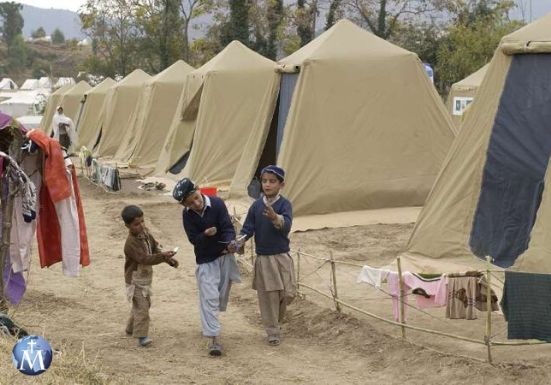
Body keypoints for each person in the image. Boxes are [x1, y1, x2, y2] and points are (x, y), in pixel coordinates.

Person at [173, 178, 241, 356]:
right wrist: (204, 234)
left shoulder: (217, 203)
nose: (196, 203)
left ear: (199, 189)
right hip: (205, 259)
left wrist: (231, 242)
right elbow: (193, 240)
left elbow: (227, 227)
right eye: (190, 203)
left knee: (219, 296)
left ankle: (210, 323)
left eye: (196, 197)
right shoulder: (188, 215)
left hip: (224, 255)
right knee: (209, 297)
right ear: (184, 205)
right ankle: (213, 339)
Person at [238, 165, 296, 346]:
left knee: (288, 293)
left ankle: (276, 320)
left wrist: (274, 217)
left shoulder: (285, 204)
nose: (267, 185)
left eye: (272, 181)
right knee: (268, 296)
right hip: (265, 258)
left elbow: (286, 226)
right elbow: (248, 228)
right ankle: (272, 331)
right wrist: (240, 241)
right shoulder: (256, 206)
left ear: (281, 184)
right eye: (264, 181)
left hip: (282, 256)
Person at [121, 205, 178, 347]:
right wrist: (162, 256)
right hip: (135, 280)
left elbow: (154, 248)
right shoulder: (130, 243)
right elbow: (144, 259)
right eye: (136, 224)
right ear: (127, 225)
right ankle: (142, 336)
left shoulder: (146, 234)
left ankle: (130, 328)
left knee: (143, 305)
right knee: (142, 307)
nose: (141, 226)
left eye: (142, 221)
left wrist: (168, 259)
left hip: (145, 278)